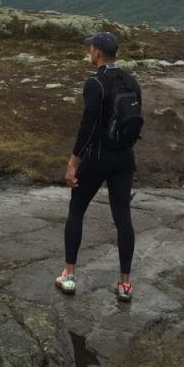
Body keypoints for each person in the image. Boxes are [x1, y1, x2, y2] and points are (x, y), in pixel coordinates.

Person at [55, 31, 140, 302]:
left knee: (77, 211)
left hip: (96, 158)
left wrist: (72, 164)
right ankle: (124, 284)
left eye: (91, 48)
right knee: (123, 218)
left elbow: (87, 127)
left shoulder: (95, 84)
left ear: (98, 53)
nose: (89, 51)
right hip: (124, 158)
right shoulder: (131, 80)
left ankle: (68, 276)